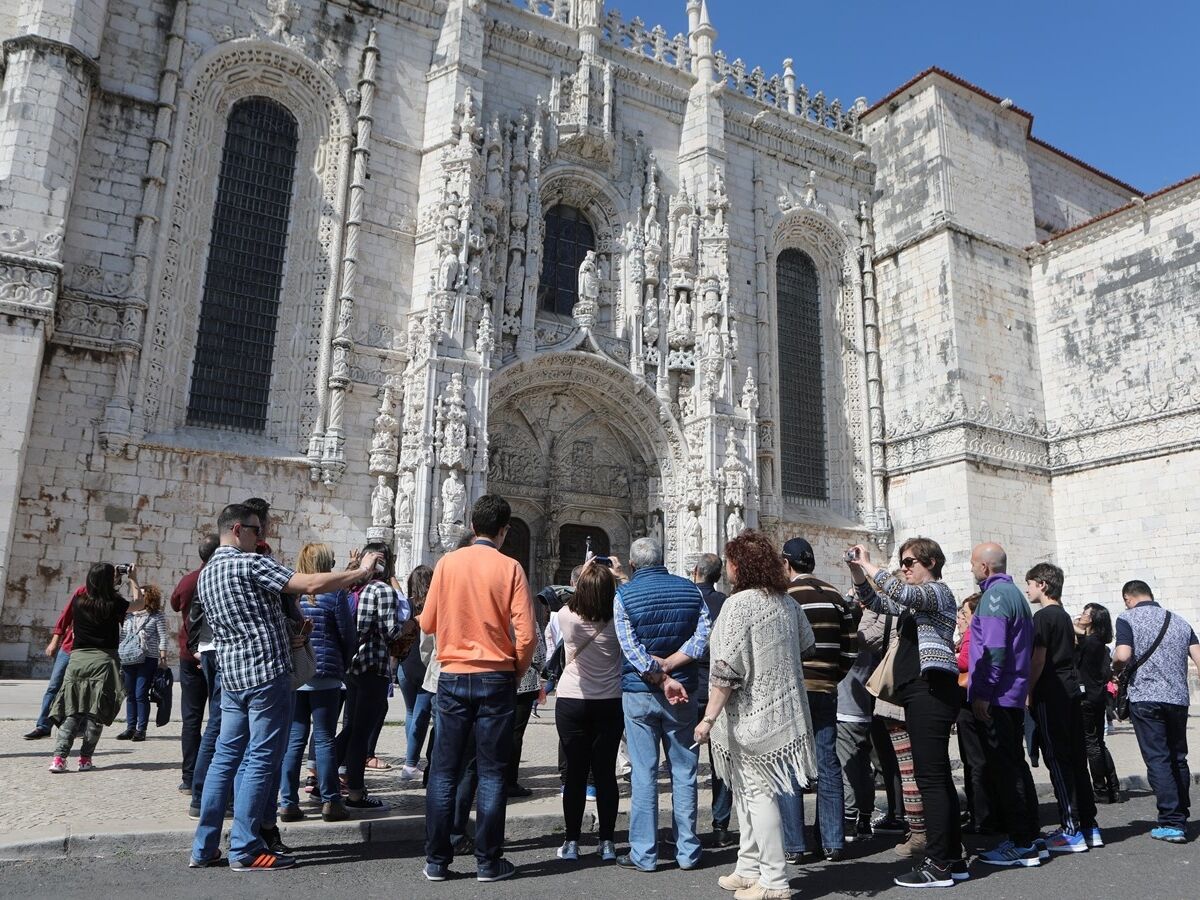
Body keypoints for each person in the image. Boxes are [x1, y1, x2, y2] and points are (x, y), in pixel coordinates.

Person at [189, 502, 381, 873]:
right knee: (262, 758)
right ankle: (245, 848)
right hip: (264, 674)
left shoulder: (207, 572)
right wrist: (359, 571)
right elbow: (308, 583)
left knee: (224, 759)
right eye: (257, 531)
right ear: (238, 530)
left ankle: (204, 846)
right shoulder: (249, 562)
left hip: (232, 676)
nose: (262, 538)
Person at [694, 530, 818, 900]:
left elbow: (725, 672)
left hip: (750, 716)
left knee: (759, 796)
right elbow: (808, 648)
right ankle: (749, 867)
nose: (728, 568)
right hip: (782, 712)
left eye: (730, 561)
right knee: (747, 795)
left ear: (739, 565)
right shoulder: (788, 602)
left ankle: (775, 881)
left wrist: (708, 718)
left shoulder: (738, 605)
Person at [420, 494, 537, 883]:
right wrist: (516, 671)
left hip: (452, 676)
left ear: (472, 527)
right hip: (497, 676)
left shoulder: (448, 564)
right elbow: (527, 634)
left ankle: (437, 861)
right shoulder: (511, 568)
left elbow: (428, 622)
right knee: (491, 773)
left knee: (443, 772)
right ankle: (488, 862)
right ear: (503, 531)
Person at [850, 539, 967, 889]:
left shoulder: (938, 592)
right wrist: (858, 572)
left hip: (931, 689)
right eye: (902, 562)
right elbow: (875, 601)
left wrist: (871, 564)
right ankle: (952, 858)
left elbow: (902, 593)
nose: (904, 567)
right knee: (935, 775)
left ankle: (938, 864)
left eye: (910, 561)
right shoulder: (916, 604)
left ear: (930, 561)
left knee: (929, 777)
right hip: (919, 692)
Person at [614, 536, 709, 874]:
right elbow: (701, 638)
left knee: (644, 773)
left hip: (640, 693)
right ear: (663, 558)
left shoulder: (623, 595)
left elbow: (630, 647)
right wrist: (671, 669)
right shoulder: (691, 590)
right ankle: (687, 852)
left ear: (633, 564)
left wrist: (658, 671)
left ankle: (644, 853)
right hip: (683, 692)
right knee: (684, 772)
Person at [778, 536, 857, 863]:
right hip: (825, 689)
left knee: (790, 764)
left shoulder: (785, 596)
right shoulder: (836, 596)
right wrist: (829, 677)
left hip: (793, 692)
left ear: (786, 563)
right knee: (827, 761)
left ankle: (795, 846)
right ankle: (833, 842)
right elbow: (850, 649)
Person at [967, 543, 1041, 870]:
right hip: (1013, 692)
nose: (971, 570)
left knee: (1006, 769)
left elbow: (994, 651)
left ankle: (1021, 843)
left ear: (985, 567)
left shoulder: (994, 598)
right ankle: (1029, 834)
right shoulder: (1015, 595)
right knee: (1016, 764)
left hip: (998, 695)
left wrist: (982, 692)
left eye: (973, 565)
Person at [1114, 580, 1200, 845]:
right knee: (1178, 757)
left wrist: (1114, 666)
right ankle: (1181, 814)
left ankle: (1171, 822)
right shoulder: (1180, 621)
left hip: (1146, 698)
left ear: (1128, 597)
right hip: (1177, 698)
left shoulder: (1126, 618)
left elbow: (1124, 654)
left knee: (1158, 759)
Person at [554, 557, 626, 862]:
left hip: (571, 700)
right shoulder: (620, 619)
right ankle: (607, 842)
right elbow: (624, 597)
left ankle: (571, 842)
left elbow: (566, 595)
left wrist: (585, 573)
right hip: (610, 701)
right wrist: (619, 575)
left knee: (575, 774)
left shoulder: (565, 616)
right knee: (605, 774)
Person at [1025, 562, 1100, 852]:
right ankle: (1089, 825)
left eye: (1030, 583)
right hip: (1070, 691)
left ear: (1042, 585)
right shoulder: (1065, 618)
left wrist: (1028, 691)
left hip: (1050, 691)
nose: (1028, 589)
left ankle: (1070, 829)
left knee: (1057, 759)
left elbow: (1038, 659)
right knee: (1077, 759)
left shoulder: (1042, 617)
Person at [279, 542, 356, 824]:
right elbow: (348, 634)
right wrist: (343, 664)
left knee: (294, 738)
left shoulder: (290, 592)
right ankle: (331, 800)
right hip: (326, 674)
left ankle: (287, 801)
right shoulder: (334, 593)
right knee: (324, 738)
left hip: (297, 674)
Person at [47, 563, 130, 772]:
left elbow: (66, 621)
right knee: (95, 713)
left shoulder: (79, 600)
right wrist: (134, 579)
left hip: (77, 660)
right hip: (104, 662)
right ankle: (85, 759)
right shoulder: (114, 603)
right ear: (109, 581)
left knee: (72, 712)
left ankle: (59, 758)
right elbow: (138, 603)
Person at [343, 541, 408, 809]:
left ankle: (322, 775)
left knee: (351, 728)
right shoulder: (382, 590)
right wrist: (411, 623)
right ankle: (355, 791)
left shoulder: (353, 586)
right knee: (361, 731)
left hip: (352, 665)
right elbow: (392, 632)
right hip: (373, 665)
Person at [171, 535, 220, 793]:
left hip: (189, 655)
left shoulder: (190, 580)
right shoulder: (219, 579)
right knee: (217, 718)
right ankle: (211, 775)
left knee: (191, 719)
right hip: (214, 654)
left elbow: (175, 602)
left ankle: (190, 778)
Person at [691, 552, 734, 848]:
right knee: (720, 757)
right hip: (717, 686)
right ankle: (720, 824)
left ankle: (687, 827)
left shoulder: (684, 599)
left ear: (695, 571)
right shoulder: (727, 604)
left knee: (685, 758)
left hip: (687, 683)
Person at [836, 589, 881, 844]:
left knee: (848, 770)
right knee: (864, 769)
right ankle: (864, 817)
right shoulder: (867, 644)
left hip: (845, 710)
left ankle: (850, 820)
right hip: (865, 710)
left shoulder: (847, 644)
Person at [953, 594, 992, 835]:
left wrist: (946, 657)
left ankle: (981, 815)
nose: (960, 619)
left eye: (964, 614)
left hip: (968, 702)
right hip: (971, 701)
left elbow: (966, 661)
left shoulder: (973, 633)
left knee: (975, 761)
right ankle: (980, 813)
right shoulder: (976, 633)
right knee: (975, 760)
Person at [1074, 602, 1120, 804]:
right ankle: (1113, 788)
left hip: (1086, 698)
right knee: (1099, 743)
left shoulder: (1089, 642)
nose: (1081, 615)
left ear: (1092, 619)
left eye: (1085, 613)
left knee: (1091, 744)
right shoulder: (1100, 643)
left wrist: (1076, 627)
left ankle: (1100, 790)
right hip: (1098, 696)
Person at [26, 586, 85, 740]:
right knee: (54, 686)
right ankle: (43, 726)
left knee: (81, 690)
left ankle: (79, 726)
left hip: (89, 652)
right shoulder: (82, 591)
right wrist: (54, 641)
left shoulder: (111, 597)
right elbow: (66, 616)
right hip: (68, 647)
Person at [116, 582, 168, 742]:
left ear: (150, 598)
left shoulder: (157, 615)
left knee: (140, 693)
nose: (139, 598)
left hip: (148, 658)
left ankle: (141, 729)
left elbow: (163, 637)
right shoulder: (129, 615)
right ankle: (130, 728)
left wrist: (163, 659)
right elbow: (123, 634)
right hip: (128, 657)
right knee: (130, 693)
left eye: (143, 595)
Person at [399, 565, 435, 781]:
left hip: (405, 665)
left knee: (412, 712)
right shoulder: (432, 606)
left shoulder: (407, 606)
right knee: (421, 716)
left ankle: (410, 759)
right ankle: (410, 763)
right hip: (424, 665)